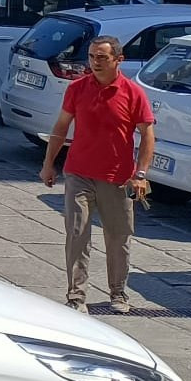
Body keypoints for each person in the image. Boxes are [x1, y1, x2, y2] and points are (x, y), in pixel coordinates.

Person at [40, 35, 154, 314]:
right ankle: (76, 296)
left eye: (102, 57)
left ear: (119, 60)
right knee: (77, 234)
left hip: (117, 177)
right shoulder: (77, 89)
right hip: (79, 172)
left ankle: (118, 292)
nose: (95, 62)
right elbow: (61, 127)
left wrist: (140, 173)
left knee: (118, 238)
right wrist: (48, 163)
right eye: (91, 56)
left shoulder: (133, 92)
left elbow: (147, 135)